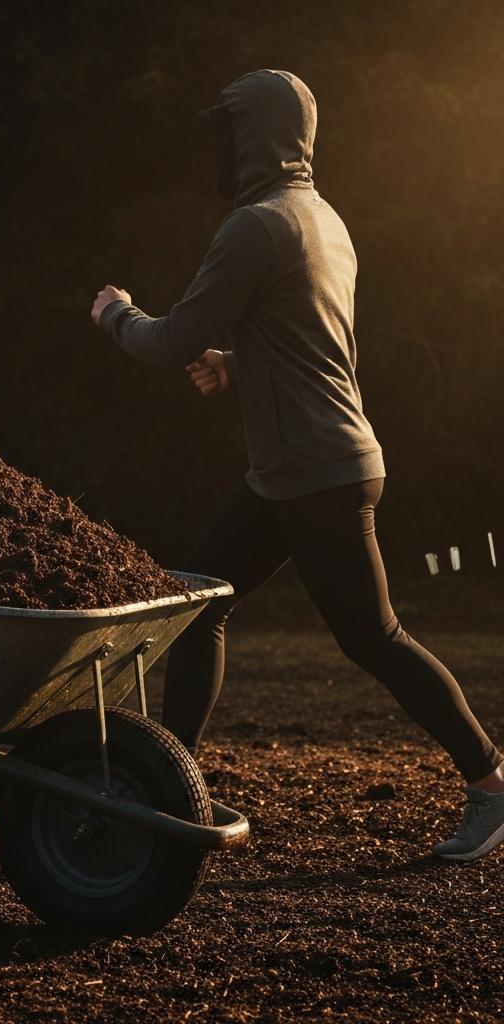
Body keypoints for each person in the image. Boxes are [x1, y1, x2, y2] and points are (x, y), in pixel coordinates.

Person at [90, 69, 504, 862]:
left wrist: (116, 315)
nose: (221, 147)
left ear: (258, 138)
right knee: (199, 602)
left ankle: (491, 783)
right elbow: (312, 341)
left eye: (230, 131)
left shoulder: (254, 225)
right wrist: (237, 365)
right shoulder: (322, 217)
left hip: (314, 472)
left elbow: (169, 338)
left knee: (374, 637)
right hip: (302, 466)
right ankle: (170, 788)